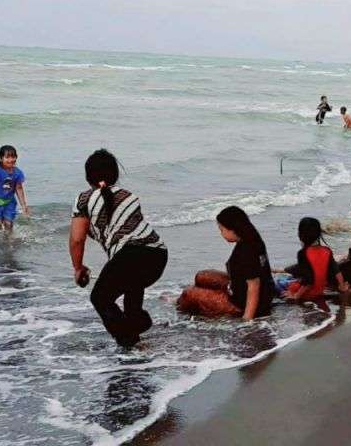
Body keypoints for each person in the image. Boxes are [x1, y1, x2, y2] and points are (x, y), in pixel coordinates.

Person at [69, 149, 167, 348]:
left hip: (129, 256)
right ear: (115, 174)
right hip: (157, 255)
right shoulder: (128, 196)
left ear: (88, 177)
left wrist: (78, 268)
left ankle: (130, 343)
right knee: (132, 284)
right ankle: (138, 322)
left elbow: (77, 239)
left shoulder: (84, 200)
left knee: (100, 298)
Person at [177, 206, 275, 320]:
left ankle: (179, 307)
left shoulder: (247, 251)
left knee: (188, 294)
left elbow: (254, 286)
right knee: (202, 276)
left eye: (222, 230)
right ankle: (180, 300)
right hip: (246, 288)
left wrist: (247, 318)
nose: (221, 233)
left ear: (233, 229)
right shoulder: (252, 237)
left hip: (243, 304)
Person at [277, 217, 345, 301]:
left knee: (279, 282)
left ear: (300, 234)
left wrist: (296, 296)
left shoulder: (303, 253)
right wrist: (342, 286)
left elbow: (308, 281)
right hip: (320, 290)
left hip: (306, 294)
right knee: (292, 277)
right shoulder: (327, 250)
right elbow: (337, 271)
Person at [0, 145, 30, 232]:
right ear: (0, 158)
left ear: (16, 157)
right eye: (7, 157)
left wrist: (23, 205)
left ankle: (9, 238)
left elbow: (19, 188)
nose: (10, 160)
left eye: (13, 157)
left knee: (9, 224)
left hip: (9, 202)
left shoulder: (17, 173)